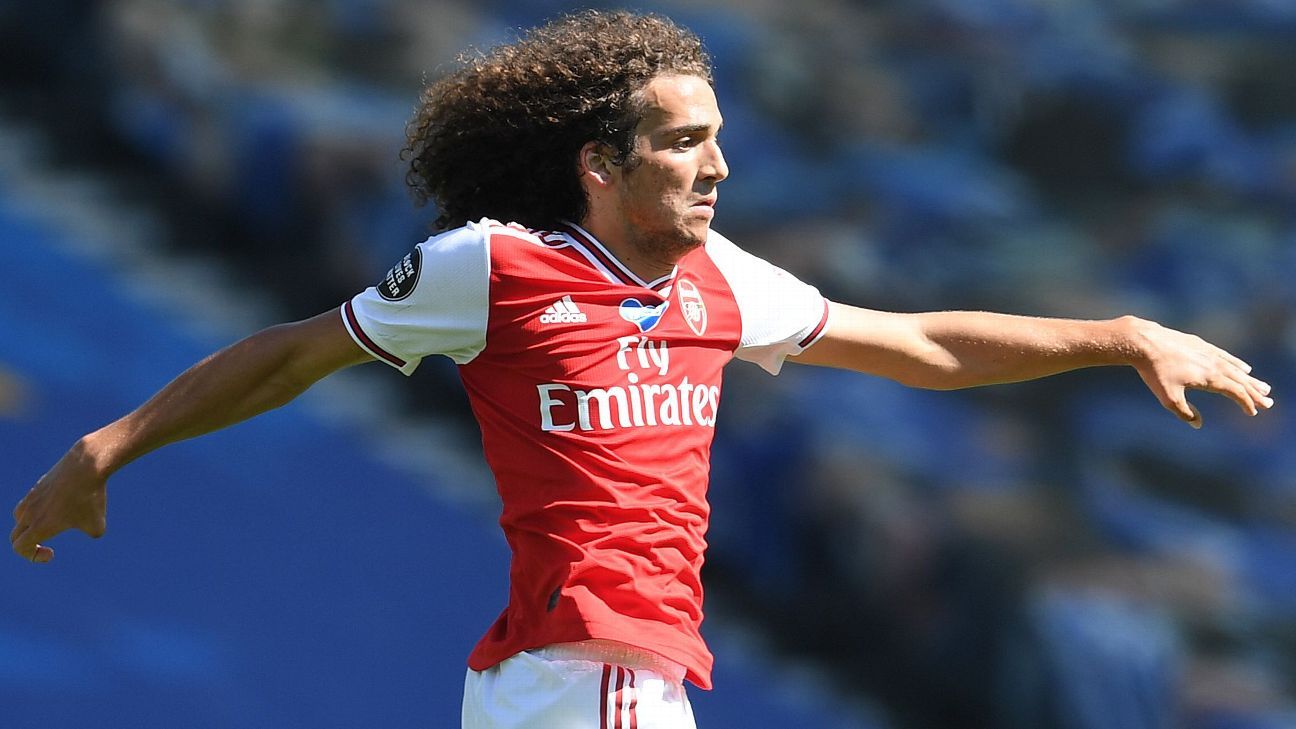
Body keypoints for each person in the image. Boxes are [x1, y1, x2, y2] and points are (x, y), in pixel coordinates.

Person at [10, 10, 1274, 729]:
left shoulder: (724, 281)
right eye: (684, 143)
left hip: (570, 678)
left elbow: (924, 345)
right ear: (601, 166)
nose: (718, 165)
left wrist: (1117, 334)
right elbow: (293, 354)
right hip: (592, 666)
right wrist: (108, 446)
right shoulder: (494, 268)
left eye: (718, 139)